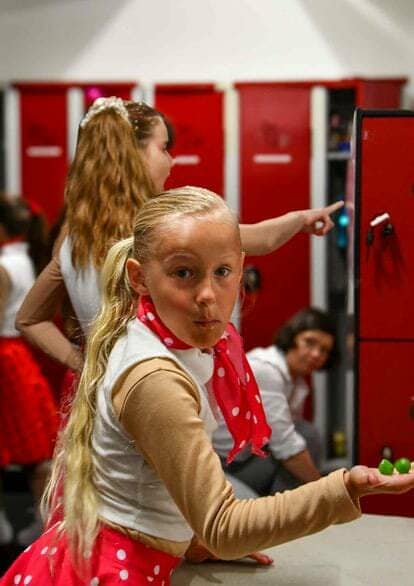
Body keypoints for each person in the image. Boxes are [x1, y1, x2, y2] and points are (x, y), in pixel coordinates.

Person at [2, 187, 413, 585]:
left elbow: (141, 490)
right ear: (139, 278)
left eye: (223, 272)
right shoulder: (155, 378)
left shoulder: (155, 339)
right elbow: (223, 525)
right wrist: (347, 485)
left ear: (241, 267)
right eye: (184, 273)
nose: (208, 295)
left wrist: (190, 543)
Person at [15, 96, 343, 379]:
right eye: (163, 148)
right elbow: (258, 239)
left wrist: (86, 364)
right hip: (158, 385)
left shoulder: (73, 236)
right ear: (133, 156)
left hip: (103, 393)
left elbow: (29, 319)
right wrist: (300, 219)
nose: (171, 161)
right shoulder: (160, 226)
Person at [213, 307, 338, 497]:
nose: (316, 354)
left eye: (324, 350)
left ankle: (288, 509)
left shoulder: (297, 383)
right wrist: (327, 492)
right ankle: (282, 511)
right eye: (310, 342)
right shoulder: (267, 370)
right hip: (222, 466)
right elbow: (287, 447)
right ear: (292, 337)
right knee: (300, 444)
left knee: (306, 433)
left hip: (245, 458)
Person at [0, 195, 60, 546]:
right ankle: (44, 522)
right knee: (35, 446)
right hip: (18, 356)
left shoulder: (3, 265)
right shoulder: (24, 258)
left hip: (5, 357)